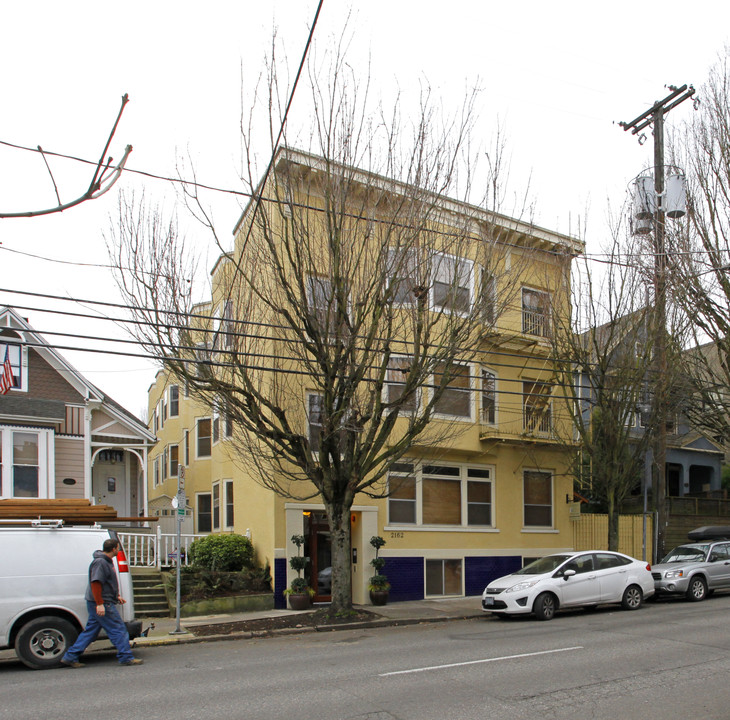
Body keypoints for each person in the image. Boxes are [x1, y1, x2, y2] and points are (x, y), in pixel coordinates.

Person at [61, 538, 143, 667]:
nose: (119, 550)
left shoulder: (104, 561)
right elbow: (96, 583)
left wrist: (116, 596)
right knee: (118, 629)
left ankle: (70, 656)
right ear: (114, 548)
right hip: (102, 603)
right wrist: (100, 603)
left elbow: (105, 583)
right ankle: (126, 657)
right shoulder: (101, 562)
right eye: (118, 548)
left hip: (101, 601)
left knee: (91, 631)